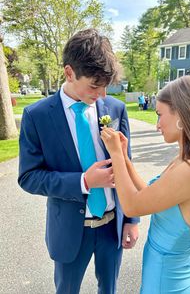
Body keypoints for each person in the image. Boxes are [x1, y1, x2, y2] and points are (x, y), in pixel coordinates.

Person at [18, 28, 139, 294]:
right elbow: (28, 177)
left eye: (106, 86)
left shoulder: (115, 109)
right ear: (69, 72)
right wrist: (84, 181)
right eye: (94, 86)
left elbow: (126, 164)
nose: (102, 94)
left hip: (112, 226)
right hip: (71, 230)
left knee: (109, 288)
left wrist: (132, 218)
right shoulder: (37, 116)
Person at [101, 76, 190, 294]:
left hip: (170, 280)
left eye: (160, 115)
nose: (157, 125)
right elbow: (152, 196)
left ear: (182, 115)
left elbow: (133, 206)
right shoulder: (186, 160)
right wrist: (124, 157)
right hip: (164, 270)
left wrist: (114, 154)